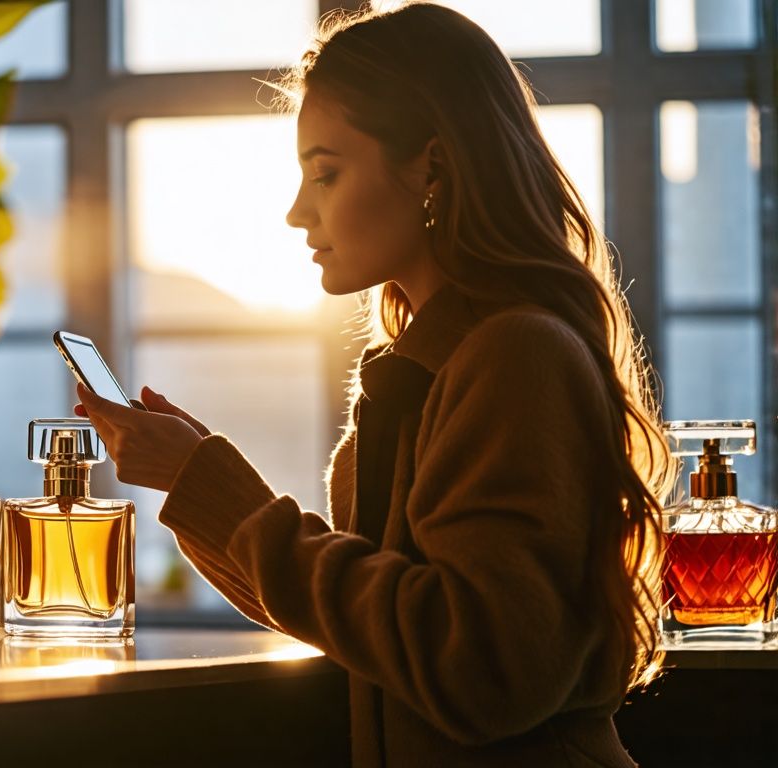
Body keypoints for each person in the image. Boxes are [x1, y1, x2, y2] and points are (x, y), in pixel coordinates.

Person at [74, 3, 677, 766]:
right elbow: (366, 627)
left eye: (325, 172)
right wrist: (195, 483)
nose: (297, 212)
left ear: (432, 166)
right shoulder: (432, 365)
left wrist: (214, 486)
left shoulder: (515, 355)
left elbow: (482, 670)